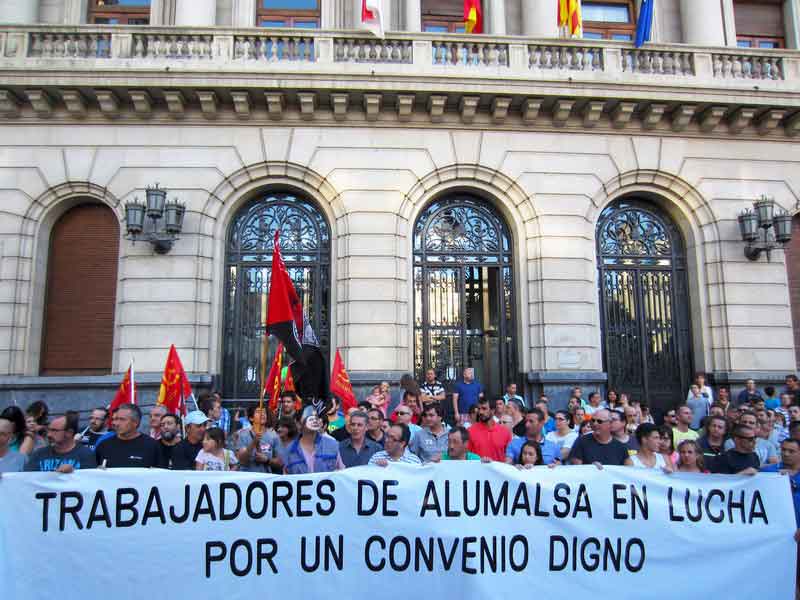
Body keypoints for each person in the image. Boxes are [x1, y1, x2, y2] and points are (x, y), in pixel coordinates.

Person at [24, 414, 96, 473]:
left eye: (54, 431)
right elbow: (27, 479)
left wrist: (74, 472)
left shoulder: (86, 455)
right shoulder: (38, 454)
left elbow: (89, 482)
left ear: (69, 433)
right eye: (48, 430)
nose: (49, 434)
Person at [95, 404, 160, 468]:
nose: (116, 423)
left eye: (122, 419)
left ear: (135, 422)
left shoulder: (152, 446)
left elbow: (161, 474)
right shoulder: (104, 445)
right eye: (115, 419)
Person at [284, 406, 344, 474]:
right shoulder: (289, 451)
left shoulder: (332, 445)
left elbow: (342, 473)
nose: (314, 420)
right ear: (298, 424)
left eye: (316, 416)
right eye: (308, 416)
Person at [761, 438, 800, 527]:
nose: (786, 454)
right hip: (775, 527)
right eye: (783, 450)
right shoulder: (767, 472)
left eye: (791, 451)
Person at [236, 405, 281, 473]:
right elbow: (242, 460)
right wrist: (253, 442)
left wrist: (267, 460)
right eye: (258, 412)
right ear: (251, 418)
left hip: (265, 479)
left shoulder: (274, 435)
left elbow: (280, 462)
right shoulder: (243, 434)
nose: (262, 414)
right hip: (247, 478)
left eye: (264, 412)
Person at [468, 397, 512, 462]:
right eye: (479, 409)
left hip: (498, 471)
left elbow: (509, 457)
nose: (480, 412)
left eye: (484, 409)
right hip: (476, 471)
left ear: (493, 410)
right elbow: (467, 456)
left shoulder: (505, 432)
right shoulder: (470, 431)